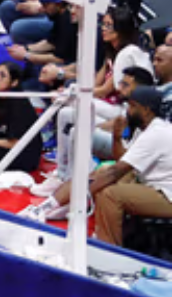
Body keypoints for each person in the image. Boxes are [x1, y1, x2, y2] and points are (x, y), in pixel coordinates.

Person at [18, 86, 172, 246]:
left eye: (133, 106)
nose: (128, 111)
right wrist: (117, 137)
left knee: (111, 194)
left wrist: (81, 195)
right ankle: (45, 207)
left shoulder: (156, 133)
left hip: (168, 194)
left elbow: (116, 172)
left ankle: (108, 249)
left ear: (147, 110)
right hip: (154, 185)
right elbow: (123, 160)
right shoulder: (146, 129)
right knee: (100, 173)